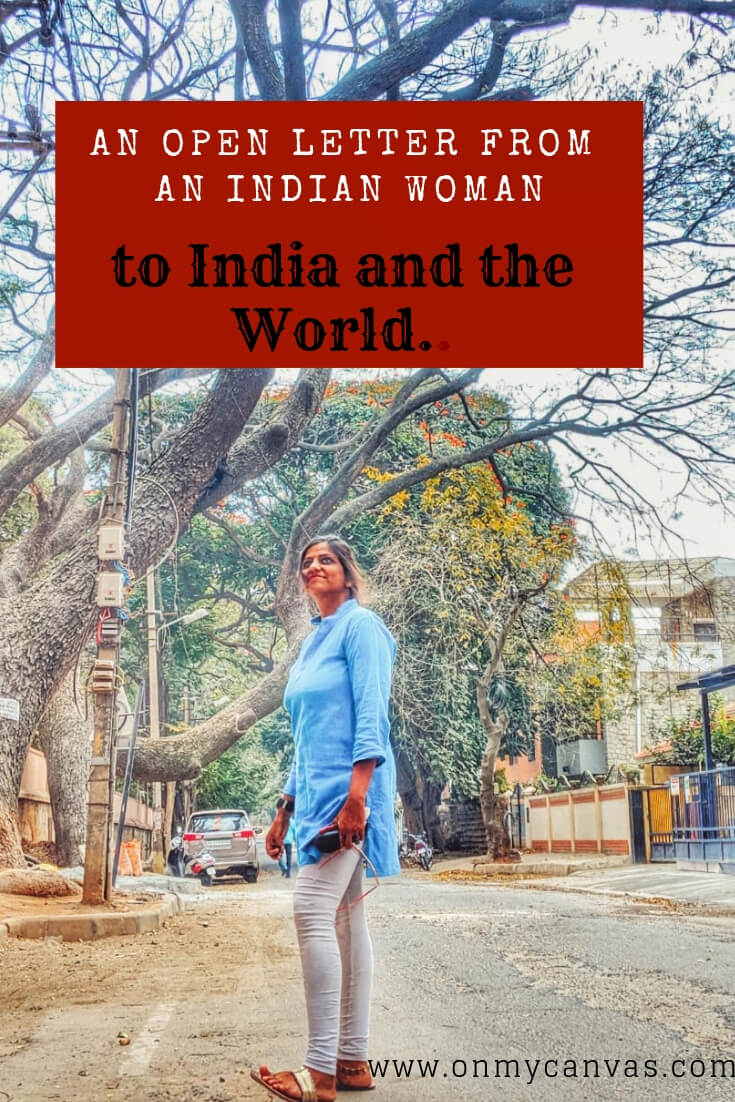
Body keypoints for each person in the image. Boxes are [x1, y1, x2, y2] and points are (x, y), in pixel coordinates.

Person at [252, 535, 399, 1102]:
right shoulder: (314, 642)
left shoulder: (363, 629)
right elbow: (305, 739)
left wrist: (357, 796)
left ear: (348, 573)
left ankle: (317, 1074)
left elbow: (372, 715)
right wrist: (283, 809)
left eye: (326, 560)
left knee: (311, 912)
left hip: (347, 796)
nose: (314, 566)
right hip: (314, 799)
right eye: (307, 561)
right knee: (343, 923)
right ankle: (351, 1062)